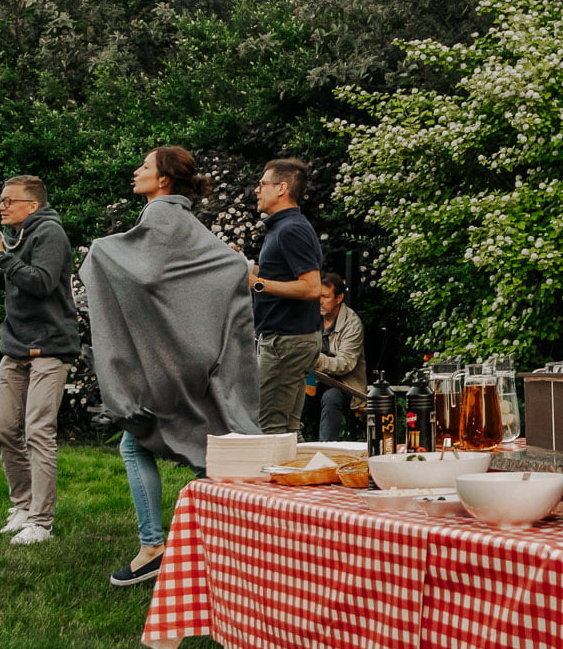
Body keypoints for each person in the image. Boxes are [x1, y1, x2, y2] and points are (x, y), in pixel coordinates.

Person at [81, 146, 258, 588]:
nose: (136, 170)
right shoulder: (187, 221)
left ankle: (153, 548)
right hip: (198, 354)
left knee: (135, 443)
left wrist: (100, 253)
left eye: (144, 165)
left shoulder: (159, 217)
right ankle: (234, 545)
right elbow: (230, 264)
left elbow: (145, 275)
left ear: (163, 179)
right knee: (206, 453)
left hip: (170, 358)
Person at [0, 174, 79, 546]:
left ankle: (41, 522)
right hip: (15, 346)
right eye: (1, 200)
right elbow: (21, 277)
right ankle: (23, 505)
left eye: (8, 201)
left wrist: (0, 254)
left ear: (32, 205)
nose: (1, 206)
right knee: (2, 428)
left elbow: (42, 282)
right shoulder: (24, 235)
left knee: (38, 431)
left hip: (49, 347)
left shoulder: (50, 233)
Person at [248, 157, 324, 436]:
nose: (257, 190)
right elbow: (279, 276)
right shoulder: (284, 227)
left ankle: (280, 479)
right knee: (288, 428)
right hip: (289, 338)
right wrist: (239, 268)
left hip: (286, 340)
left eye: (262, 184)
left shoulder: (291, 229)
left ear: (281, 188)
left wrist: (258, 284)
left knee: (271, 427)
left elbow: (311, 287)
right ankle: (302, 477)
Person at [313, 272, 366, 442]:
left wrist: (312, 359)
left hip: (345, 385)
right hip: (312, 382)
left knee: (332, 397)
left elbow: (346, 364)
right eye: (317, 296)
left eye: (325, 296)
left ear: (339, 298)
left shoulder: (352, 323)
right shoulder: (310, 317)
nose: (319, 301)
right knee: (290, 395)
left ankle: (326, 451)